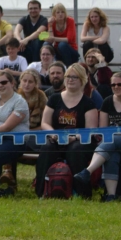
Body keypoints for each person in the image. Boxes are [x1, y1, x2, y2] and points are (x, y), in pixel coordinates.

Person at [73, 72, 121, 201]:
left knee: (113, 140)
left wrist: (120, 134)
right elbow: (104, 131)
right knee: (112, 153)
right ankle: (111, 195)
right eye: (113, 84)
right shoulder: (107, 102)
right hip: (113, 144)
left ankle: (87, 171)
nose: (116, 87)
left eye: (120, 84)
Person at [36, 63, 99, 198]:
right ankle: (42, 191)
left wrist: (74, 137)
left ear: (82, 80)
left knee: (75, 149)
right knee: (47, 147)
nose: (70, 79)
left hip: (81, 140)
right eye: (68, 76)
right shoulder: (54, 98)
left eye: (74, 77)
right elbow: (45, 123)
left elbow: (90, 130)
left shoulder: (88, 103)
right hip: (56, 138)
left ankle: (81, 192)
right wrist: (53, 134)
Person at [14, 0, 48, 64]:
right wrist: (20, 41)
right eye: (31, 8)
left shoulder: (44, 20)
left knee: (37, 41)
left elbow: (38, 32)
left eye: (35, 8)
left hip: (40, 44)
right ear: (28, 10)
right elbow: (16, 31)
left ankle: (35, 65)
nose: (33, 10)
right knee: (17, 45)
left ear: (40, 9)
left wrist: (26, 39)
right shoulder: (24, 19)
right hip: (26, 44)